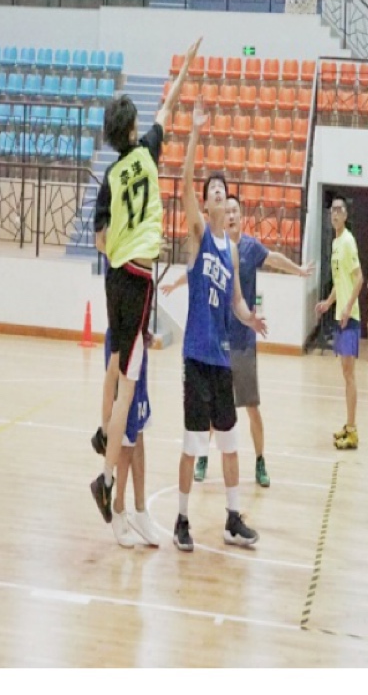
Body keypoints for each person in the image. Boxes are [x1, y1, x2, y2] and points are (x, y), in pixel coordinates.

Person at [89, 36, 201, 526]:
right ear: (134, 130)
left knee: (116, 361)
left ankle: (102, 432)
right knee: (130, 384)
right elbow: (168, 105)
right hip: (137, 277)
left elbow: (100, 241)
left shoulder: (111, 177)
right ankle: (105, 478)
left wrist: (118, 243)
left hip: (115, 275)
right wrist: (185, 66)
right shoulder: (149, 152)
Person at [172, 111, 265, 550]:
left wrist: (250, 318)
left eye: (222, 191)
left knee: (229, 443)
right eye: (212, 191)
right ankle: (181, 519)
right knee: (193, 445)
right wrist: (194, 132)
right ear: (206, 205)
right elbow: (185, 180)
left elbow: (237, 301)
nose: (217, 194)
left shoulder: (231, 252)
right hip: (195, 355)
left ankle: (231, 519)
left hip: (222, 359)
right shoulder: (199, 236)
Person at [193, 195, 310, 489]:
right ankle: (202, 458)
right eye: (227, 211)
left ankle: (260, 461)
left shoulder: (250, 247)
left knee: (251, 407)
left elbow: (275, 258)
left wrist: (298, 270)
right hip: (218, 344)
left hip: (243, 343)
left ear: (241, 216)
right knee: (213, 408)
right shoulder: (215, 249)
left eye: (235, 211)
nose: (231, 216)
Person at [97, 320, 162, 548]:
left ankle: (140, 511)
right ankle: (119, 508)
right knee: (126, 436)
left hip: (137, 343)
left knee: (139, 430)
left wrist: (143, 329)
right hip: (123, 345)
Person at [315, 195, 363, 450]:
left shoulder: (348, 242)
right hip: (341, 315)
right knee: (346, 374)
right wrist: (328, 302)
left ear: (345, 215)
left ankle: (352, 431)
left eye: (339, 210)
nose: (334, 214)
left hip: (349, 317)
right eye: (332, 210)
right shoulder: (335, 243)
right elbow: (340, 281)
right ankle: (349, 424)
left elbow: (359, 279)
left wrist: (346, 307)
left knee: (349, 374)